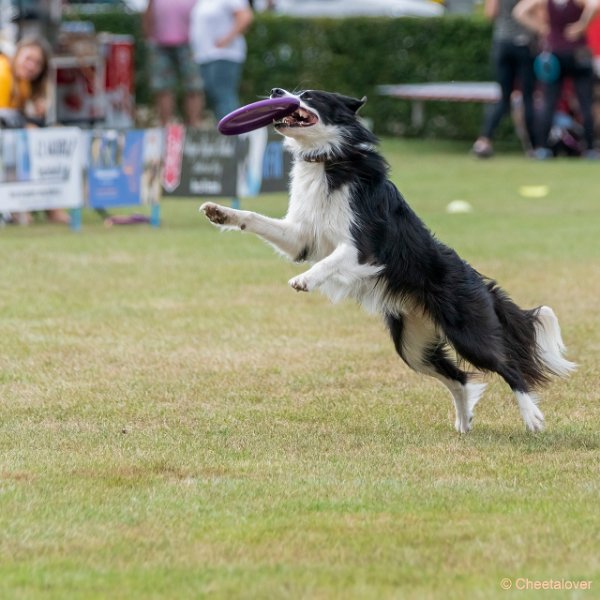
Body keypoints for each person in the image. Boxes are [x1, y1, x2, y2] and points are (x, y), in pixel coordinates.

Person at [514, 0, 600, 158]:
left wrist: (541, 28)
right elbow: (595, 5)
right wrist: (582, 25)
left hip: (554, 52)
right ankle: (590, 147)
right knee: (585, 102)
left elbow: (519, 11)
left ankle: (542, 147)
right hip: (578, 52)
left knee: (549, 101)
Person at [0, 37, 70, 224]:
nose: (31, 66)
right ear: (17, 54)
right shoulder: (3, 73)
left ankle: (42, 206)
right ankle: (34, 207)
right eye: (28, 59)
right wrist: (27, 124)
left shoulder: (22, 83)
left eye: (38, 64)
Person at [472, 0, 538, 158]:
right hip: (524, 43)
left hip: (502, 41)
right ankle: (535, 146)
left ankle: (484, 140)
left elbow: (490, 14)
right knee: (528, 97)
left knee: (503, 97)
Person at [189, 0, 254, 122]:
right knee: (216, 98)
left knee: (224, 96)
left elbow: (245, 17)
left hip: (224, 55)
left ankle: (233, 132)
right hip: (205, 56)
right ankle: (225, 131)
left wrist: (227, 39)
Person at [142, 0, 204, 127]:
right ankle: (166, 125)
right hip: (159, 43)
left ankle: (194, 125)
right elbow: (148, 12)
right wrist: (148, 38)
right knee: (162, 87)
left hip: (189, 42)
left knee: (193, 86)